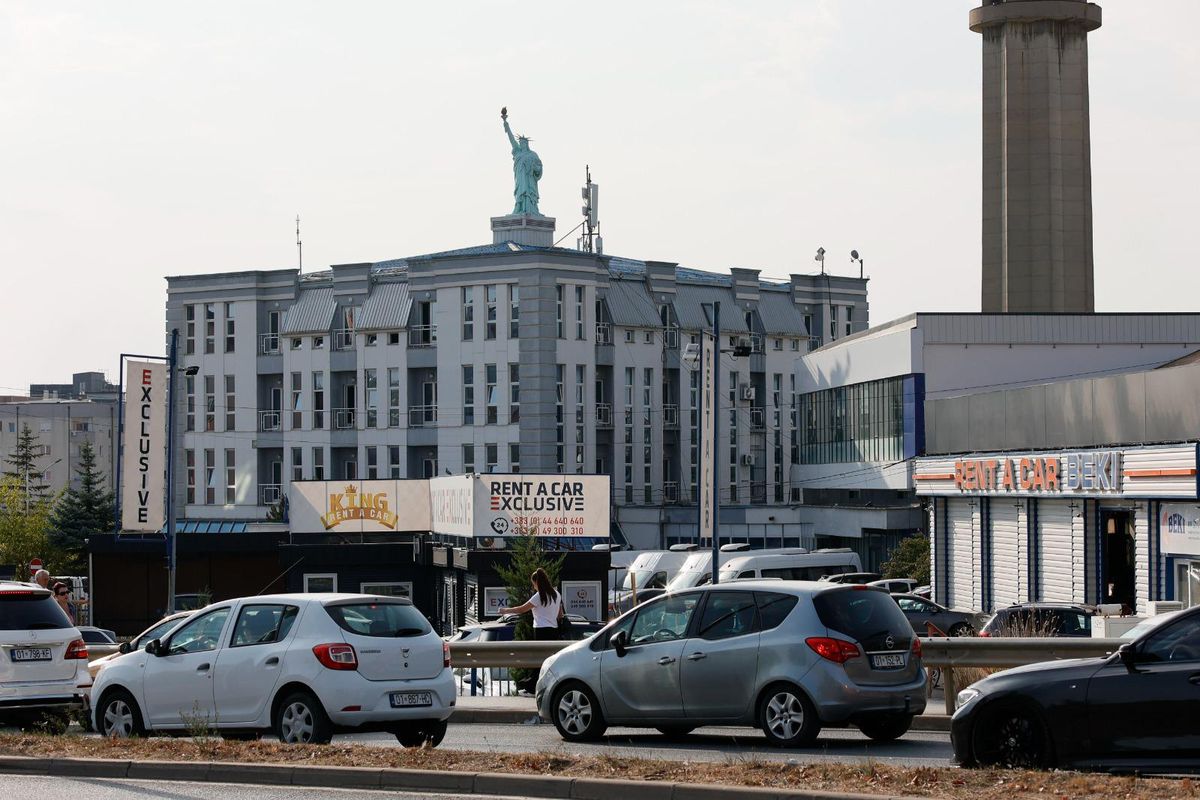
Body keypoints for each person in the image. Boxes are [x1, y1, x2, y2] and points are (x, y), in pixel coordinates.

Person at [499, 568, 563, 641]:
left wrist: (505, 610)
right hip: (555, 630)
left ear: (536, 582)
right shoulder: (557, 594)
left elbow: (521, 609)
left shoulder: (539, 596)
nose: (534, 587)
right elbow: (560, 615)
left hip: (541, 630)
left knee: (541, 652)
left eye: (533, 584)